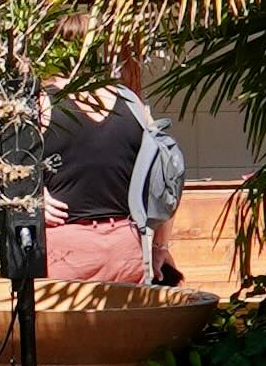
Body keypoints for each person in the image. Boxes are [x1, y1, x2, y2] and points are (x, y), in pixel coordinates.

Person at [35, 77, 185, 292]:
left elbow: (7, 171)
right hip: (128, 245)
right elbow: (166, 178)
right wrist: (160, 246)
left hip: (66, 250)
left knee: (64, 325)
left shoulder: (41, 104)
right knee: (128, 325)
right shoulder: (133, 103)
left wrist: (32, 196)